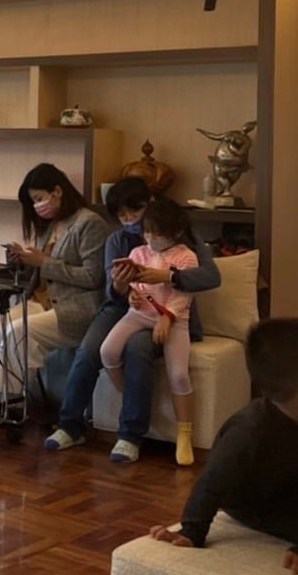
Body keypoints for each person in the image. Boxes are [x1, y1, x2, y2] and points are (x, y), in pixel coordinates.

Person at [149, 318, 298, 575]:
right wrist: (191, 531)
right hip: (260, 503)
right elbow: (211, 483)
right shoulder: (249, 431)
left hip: (296, 479)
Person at [45, 179, 221, 463]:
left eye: (134, 212)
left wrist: (168, 277)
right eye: (122, 215)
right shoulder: (119, 241)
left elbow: (211, 277)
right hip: (124, 308)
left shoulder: (182, 236)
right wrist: (122, 286)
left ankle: (130, 435)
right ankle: (70, 425)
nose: (129, 221)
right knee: (89, 351)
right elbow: (111, 290)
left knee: (138, 348)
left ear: (149, 204)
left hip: (166, 311)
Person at [0, 163, 110, 395]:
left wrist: (43, 262)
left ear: (57, 191)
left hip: (74, 309)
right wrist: (20, 260)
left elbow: (94, 276)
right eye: (33, 201)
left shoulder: (89, 223)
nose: (36, 206)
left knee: (16, 332)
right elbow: (38, 274)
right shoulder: (50, 225)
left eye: (39, 198)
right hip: (41, 302)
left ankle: (6, 402)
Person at [97, 198, 202, 466]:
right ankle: (128, 394)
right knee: (107, 351)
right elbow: (134, 285)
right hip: (139, 314)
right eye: (147, 232)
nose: (150, 238)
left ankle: (184, 434)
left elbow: (184, 294)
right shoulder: (138, 253)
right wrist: (131, 293)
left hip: (174, 320)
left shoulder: (186, 256)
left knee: (179, 374)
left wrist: (168, 317)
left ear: (176, 232)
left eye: (157, 233)